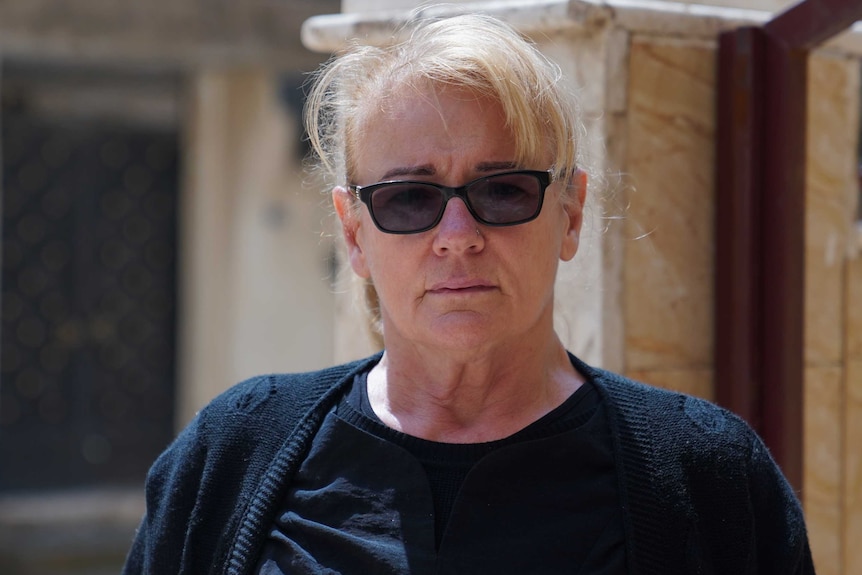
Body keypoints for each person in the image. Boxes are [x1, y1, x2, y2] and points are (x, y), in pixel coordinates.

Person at [122, 12, 815, 575]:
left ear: (570, 214)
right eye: (409, 198)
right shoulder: (234, 451)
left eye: (503, 190)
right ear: (354, 232)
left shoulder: (708, 477)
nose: (457, 234)